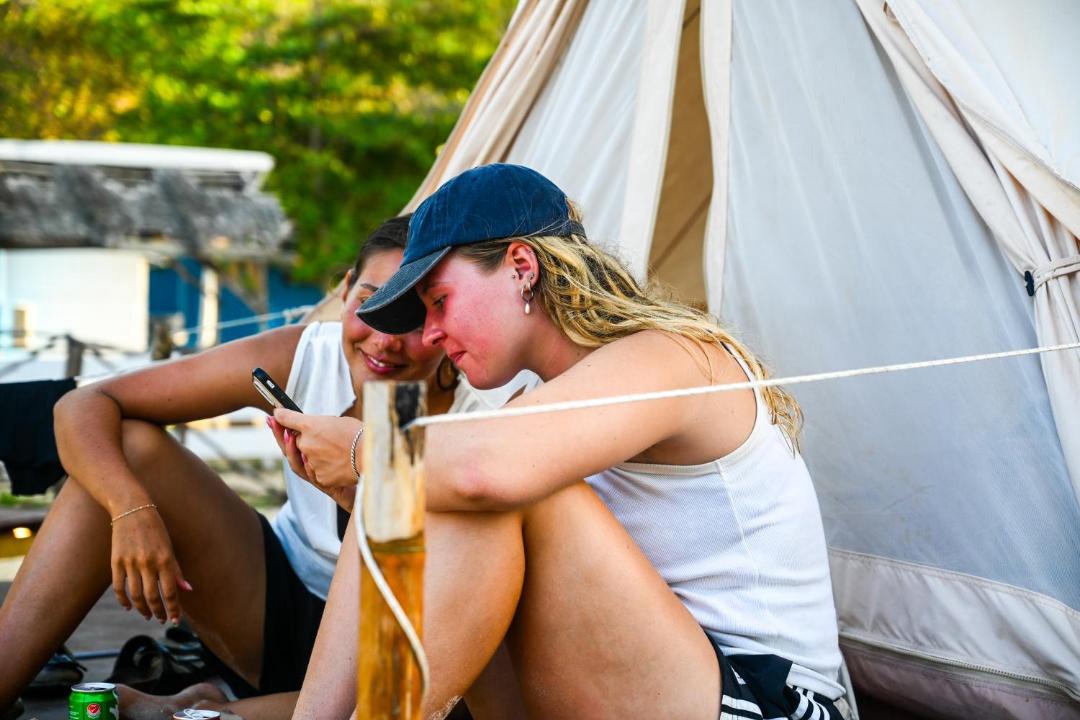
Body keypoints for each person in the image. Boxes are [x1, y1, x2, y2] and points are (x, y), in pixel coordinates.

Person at [271, 164, 849, 720]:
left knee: (469, 476)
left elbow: (483, 474)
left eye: (439, 301)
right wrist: (365, 494)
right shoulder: (530, 417)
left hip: (767, 701)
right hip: (627, 682)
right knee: (423, 477)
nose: (431, 334)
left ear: (522, 265)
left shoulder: (674, 356)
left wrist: (359, 449)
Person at [0, 216, 458, 720]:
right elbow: (84, 404)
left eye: (411, 319)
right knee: (129, 446)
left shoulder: (479, 404)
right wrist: (130, 510)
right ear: (347, 290)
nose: (386, 339)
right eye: (372, 303)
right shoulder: (309, 354)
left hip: (396, 646)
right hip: (273, 609)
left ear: (445, 320)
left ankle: (202, 712)